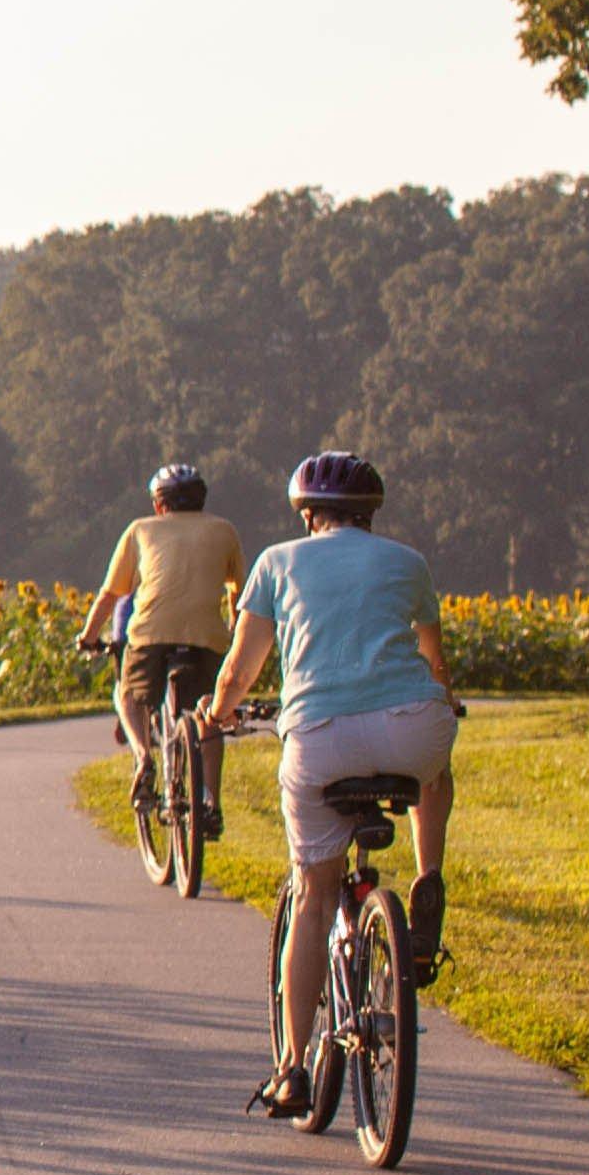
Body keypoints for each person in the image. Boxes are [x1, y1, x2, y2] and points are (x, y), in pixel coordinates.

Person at [204, 448, 455, 1108]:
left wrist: (216, 716)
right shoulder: (409, 562)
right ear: (370, 514)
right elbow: (433, 660)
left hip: (319, 738)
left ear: (306, 513)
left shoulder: (277, 563)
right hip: (410, 729)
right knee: (436, 768)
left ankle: (291, 1068)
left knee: (313, 897)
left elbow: (239, 671)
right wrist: (441, 702)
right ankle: (429, 877)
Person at [80, 462, 244, 836]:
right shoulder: (224, 530)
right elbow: (237, 590)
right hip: (207, 638)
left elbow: (111, 593)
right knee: (210, 717)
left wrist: (88, 636)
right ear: (202, 501)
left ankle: (142, 758)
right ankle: (211, 804)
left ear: (158, 504)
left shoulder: (140, 530)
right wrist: (233, 631)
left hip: (150, 636)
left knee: (128, 694)